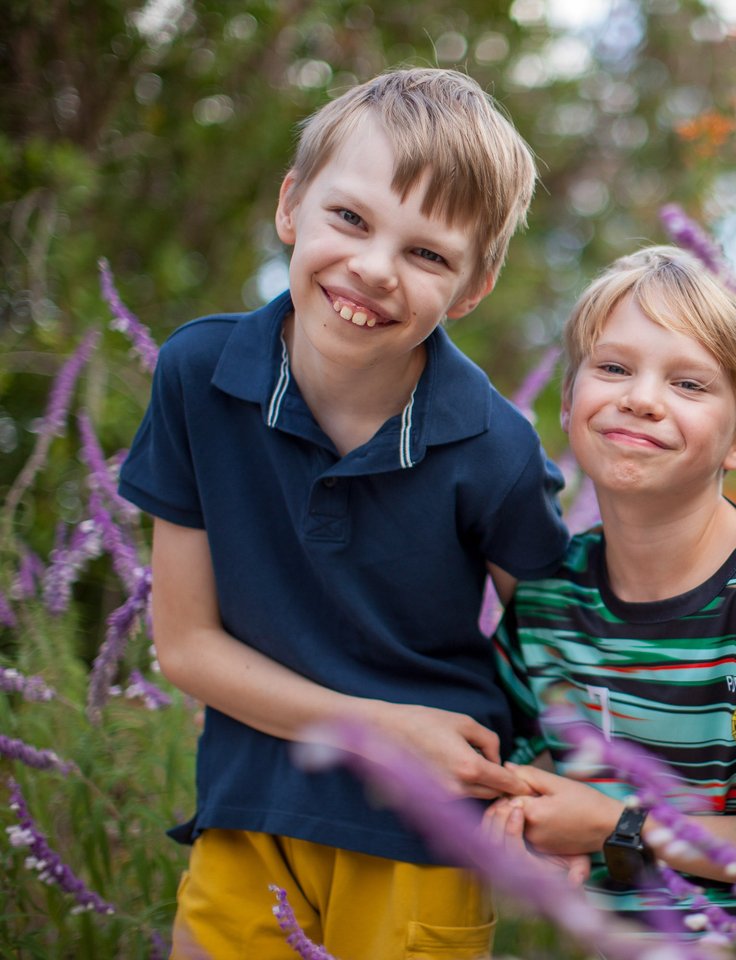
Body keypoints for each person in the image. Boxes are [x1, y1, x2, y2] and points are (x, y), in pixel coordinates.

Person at [117, 68, 571, 960]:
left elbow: (560, 647)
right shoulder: (197, 378)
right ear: (292, 205)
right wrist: (386, 728)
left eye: (427, 254)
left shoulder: (495, 447)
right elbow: (184, 647)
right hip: (247, 815)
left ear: (472, 288)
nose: (372, 268)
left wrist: (555, 790)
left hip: (425, 843)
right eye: (351, 220)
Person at [488, 246, 736, 954]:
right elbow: (523, 775)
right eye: (613, 368)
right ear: (567, 400)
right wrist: (525, 823)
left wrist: (617, 824)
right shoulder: (546, 606)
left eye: (688, 383)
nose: (641, 398)